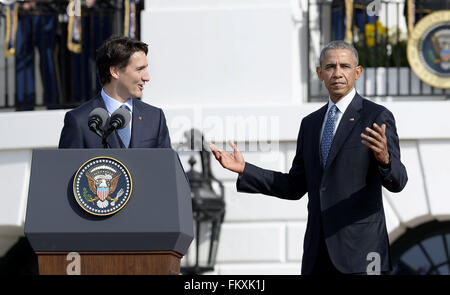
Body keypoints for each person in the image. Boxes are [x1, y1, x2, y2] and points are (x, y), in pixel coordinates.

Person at [210, 40, 408, 275]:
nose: (337, 73)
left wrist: (385, 160)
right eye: (330, 67)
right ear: (319, 73)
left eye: (344, 66)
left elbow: (399, 181)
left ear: (357, 72)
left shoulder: (376, 116)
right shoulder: (311, 124)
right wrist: (245, 169)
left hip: (363, 255)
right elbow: (295, 186)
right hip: (318, 255)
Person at [58, 36, 171, 149]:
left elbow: (167, 165)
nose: (147, 77)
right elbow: (67, 166)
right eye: (139, 69)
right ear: (115, 72)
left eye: (146, 69)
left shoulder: (155, 118)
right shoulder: (79, 121)